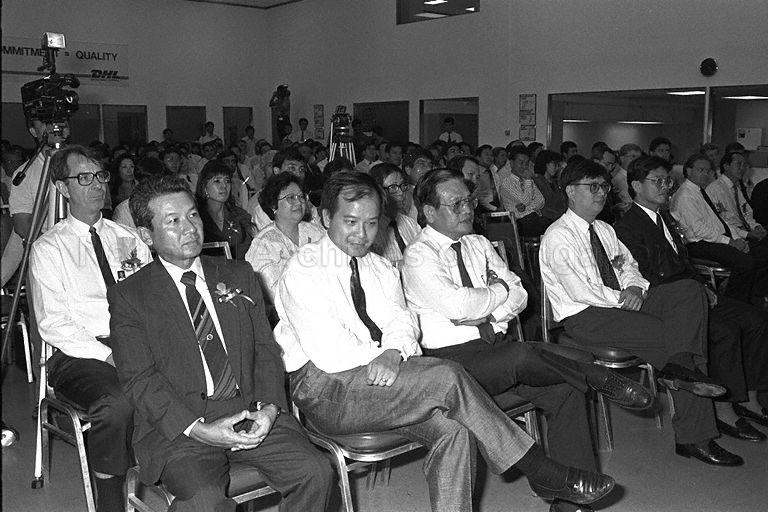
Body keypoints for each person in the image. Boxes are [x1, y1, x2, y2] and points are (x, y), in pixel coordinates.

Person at [274, 171, 616, 512]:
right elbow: (332, 353)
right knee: (448, 375)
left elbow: (403, 322)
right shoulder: (302, 270)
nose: (361, 234)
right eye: (350, 221)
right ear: (324, 217)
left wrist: (393, 351)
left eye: (372, 223)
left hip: (386, 382)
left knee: (455, 429)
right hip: (327, 390)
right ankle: (541, 470)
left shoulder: (378, 267)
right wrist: (389, 354)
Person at [402, 169, 650, 512]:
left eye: (469, 201)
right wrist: (498, 292)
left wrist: (492, 305)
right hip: (452, 363)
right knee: (523, 354)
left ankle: (571, 501)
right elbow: (457, 305)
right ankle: (595, 375)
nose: (467, 210)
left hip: (497, 349)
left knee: (564, 390)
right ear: (429, 212)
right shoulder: (419, 256)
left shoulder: (478, 243)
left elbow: (520, 295)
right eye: (455, 203)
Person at [108, 175, 332, 511]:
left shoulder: (238, 274)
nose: (189, 228)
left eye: (193, 215)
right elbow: (140, 379)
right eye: (173, 221)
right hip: (181, 427)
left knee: (316, 472)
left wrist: (269, 408)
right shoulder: (131, 296)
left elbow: (265, 350)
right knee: (204, 500)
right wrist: (197, 429)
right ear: (146, 236)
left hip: (251, 409)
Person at [540, 158, 744, 466]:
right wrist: (622, 297)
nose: (600, 194)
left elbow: (630, 266)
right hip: (587, 316)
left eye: (604, 187)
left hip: (623, 303)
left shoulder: (605, 230)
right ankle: (695, 436)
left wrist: (634, 288)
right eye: (592, 187)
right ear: (570, 191)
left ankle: (677, 372)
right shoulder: (558, 236)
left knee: (689, 292)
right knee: (677, 341)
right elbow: (579, 290)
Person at [28, 145, 153, 511]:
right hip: (80, 353)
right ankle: (111, 503)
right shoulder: (49, 248)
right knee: (117, 404)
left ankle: (185, 484)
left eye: (101, 175)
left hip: (135, 343)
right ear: (63, 189)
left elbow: (153, 297)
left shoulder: (128, 238)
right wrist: (109, 353)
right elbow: (53, 322)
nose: (97, 185)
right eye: (84, 178)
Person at [615, 155, 768, 441]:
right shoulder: (626, 227)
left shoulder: (666, 218)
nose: (665, 187)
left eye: (667, 181)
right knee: (724, 331)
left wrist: (703, 287)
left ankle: (749, 397)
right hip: (667, 300)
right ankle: (724, 410)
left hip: (691, 290)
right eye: (657, 181)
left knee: (756, 319)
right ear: (636, 185)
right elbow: (647, 274)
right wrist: (694, 289)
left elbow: (684, 262)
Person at [670, 153, 768, 306]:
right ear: (688, 171)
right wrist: (729, 242)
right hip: (696, 243)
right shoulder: (686, 195)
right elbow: (700, 230)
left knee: (762, 254)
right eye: (700, 170)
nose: (705, 174)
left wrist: (738, 239)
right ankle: (733, 303)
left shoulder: (699, 191)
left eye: (708, 171)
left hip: (713, 238)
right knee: (745, 262)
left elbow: (719, 222)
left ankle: (753, 297)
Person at [244, 173, 324, 304]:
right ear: (273, 205)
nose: (299, 202)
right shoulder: (263, 244)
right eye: (291, 198)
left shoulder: (316, 232)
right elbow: (274, 294)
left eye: (301, 197)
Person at [196, 161, 254, 259]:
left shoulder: (240, 215)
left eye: (227, 181)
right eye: (217, 181)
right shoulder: (196, 218)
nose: (224, 186)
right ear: (205, 187)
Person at [705, 151, 767, 245]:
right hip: (731, 237)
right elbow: (720, 222)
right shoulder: (714, 189)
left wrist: (756, 227)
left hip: (745, 232)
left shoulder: (736, 188)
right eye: (738, 164)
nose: (742, 168)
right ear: (726, 166)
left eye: (744, 165)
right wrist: (747, 234)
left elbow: (746, 213)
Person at [369, 163, 420, 265]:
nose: (400, 193)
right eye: (392, 187)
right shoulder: (370, 228)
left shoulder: (410, 223)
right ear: (377, 191)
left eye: (402, 186)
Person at [497, 146, 551, 236]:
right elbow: (525, 200)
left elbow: (541, 201)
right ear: (511, 163)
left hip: (533, 218)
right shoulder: (506, 183)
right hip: (518, 223)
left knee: (550, 224)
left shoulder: (528, 181)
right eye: (521, 163)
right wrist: (528, 180)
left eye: (526, 163)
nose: (524, 167)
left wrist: (526, 208)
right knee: (545, 225)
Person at [532, 150, 568, 222]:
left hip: (558, 218)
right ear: (546, 164)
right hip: (545, 220)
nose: (557, 168)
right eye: (555, 164)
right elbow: (541, 206)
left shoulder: (555, 182)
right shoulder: (537, 181)